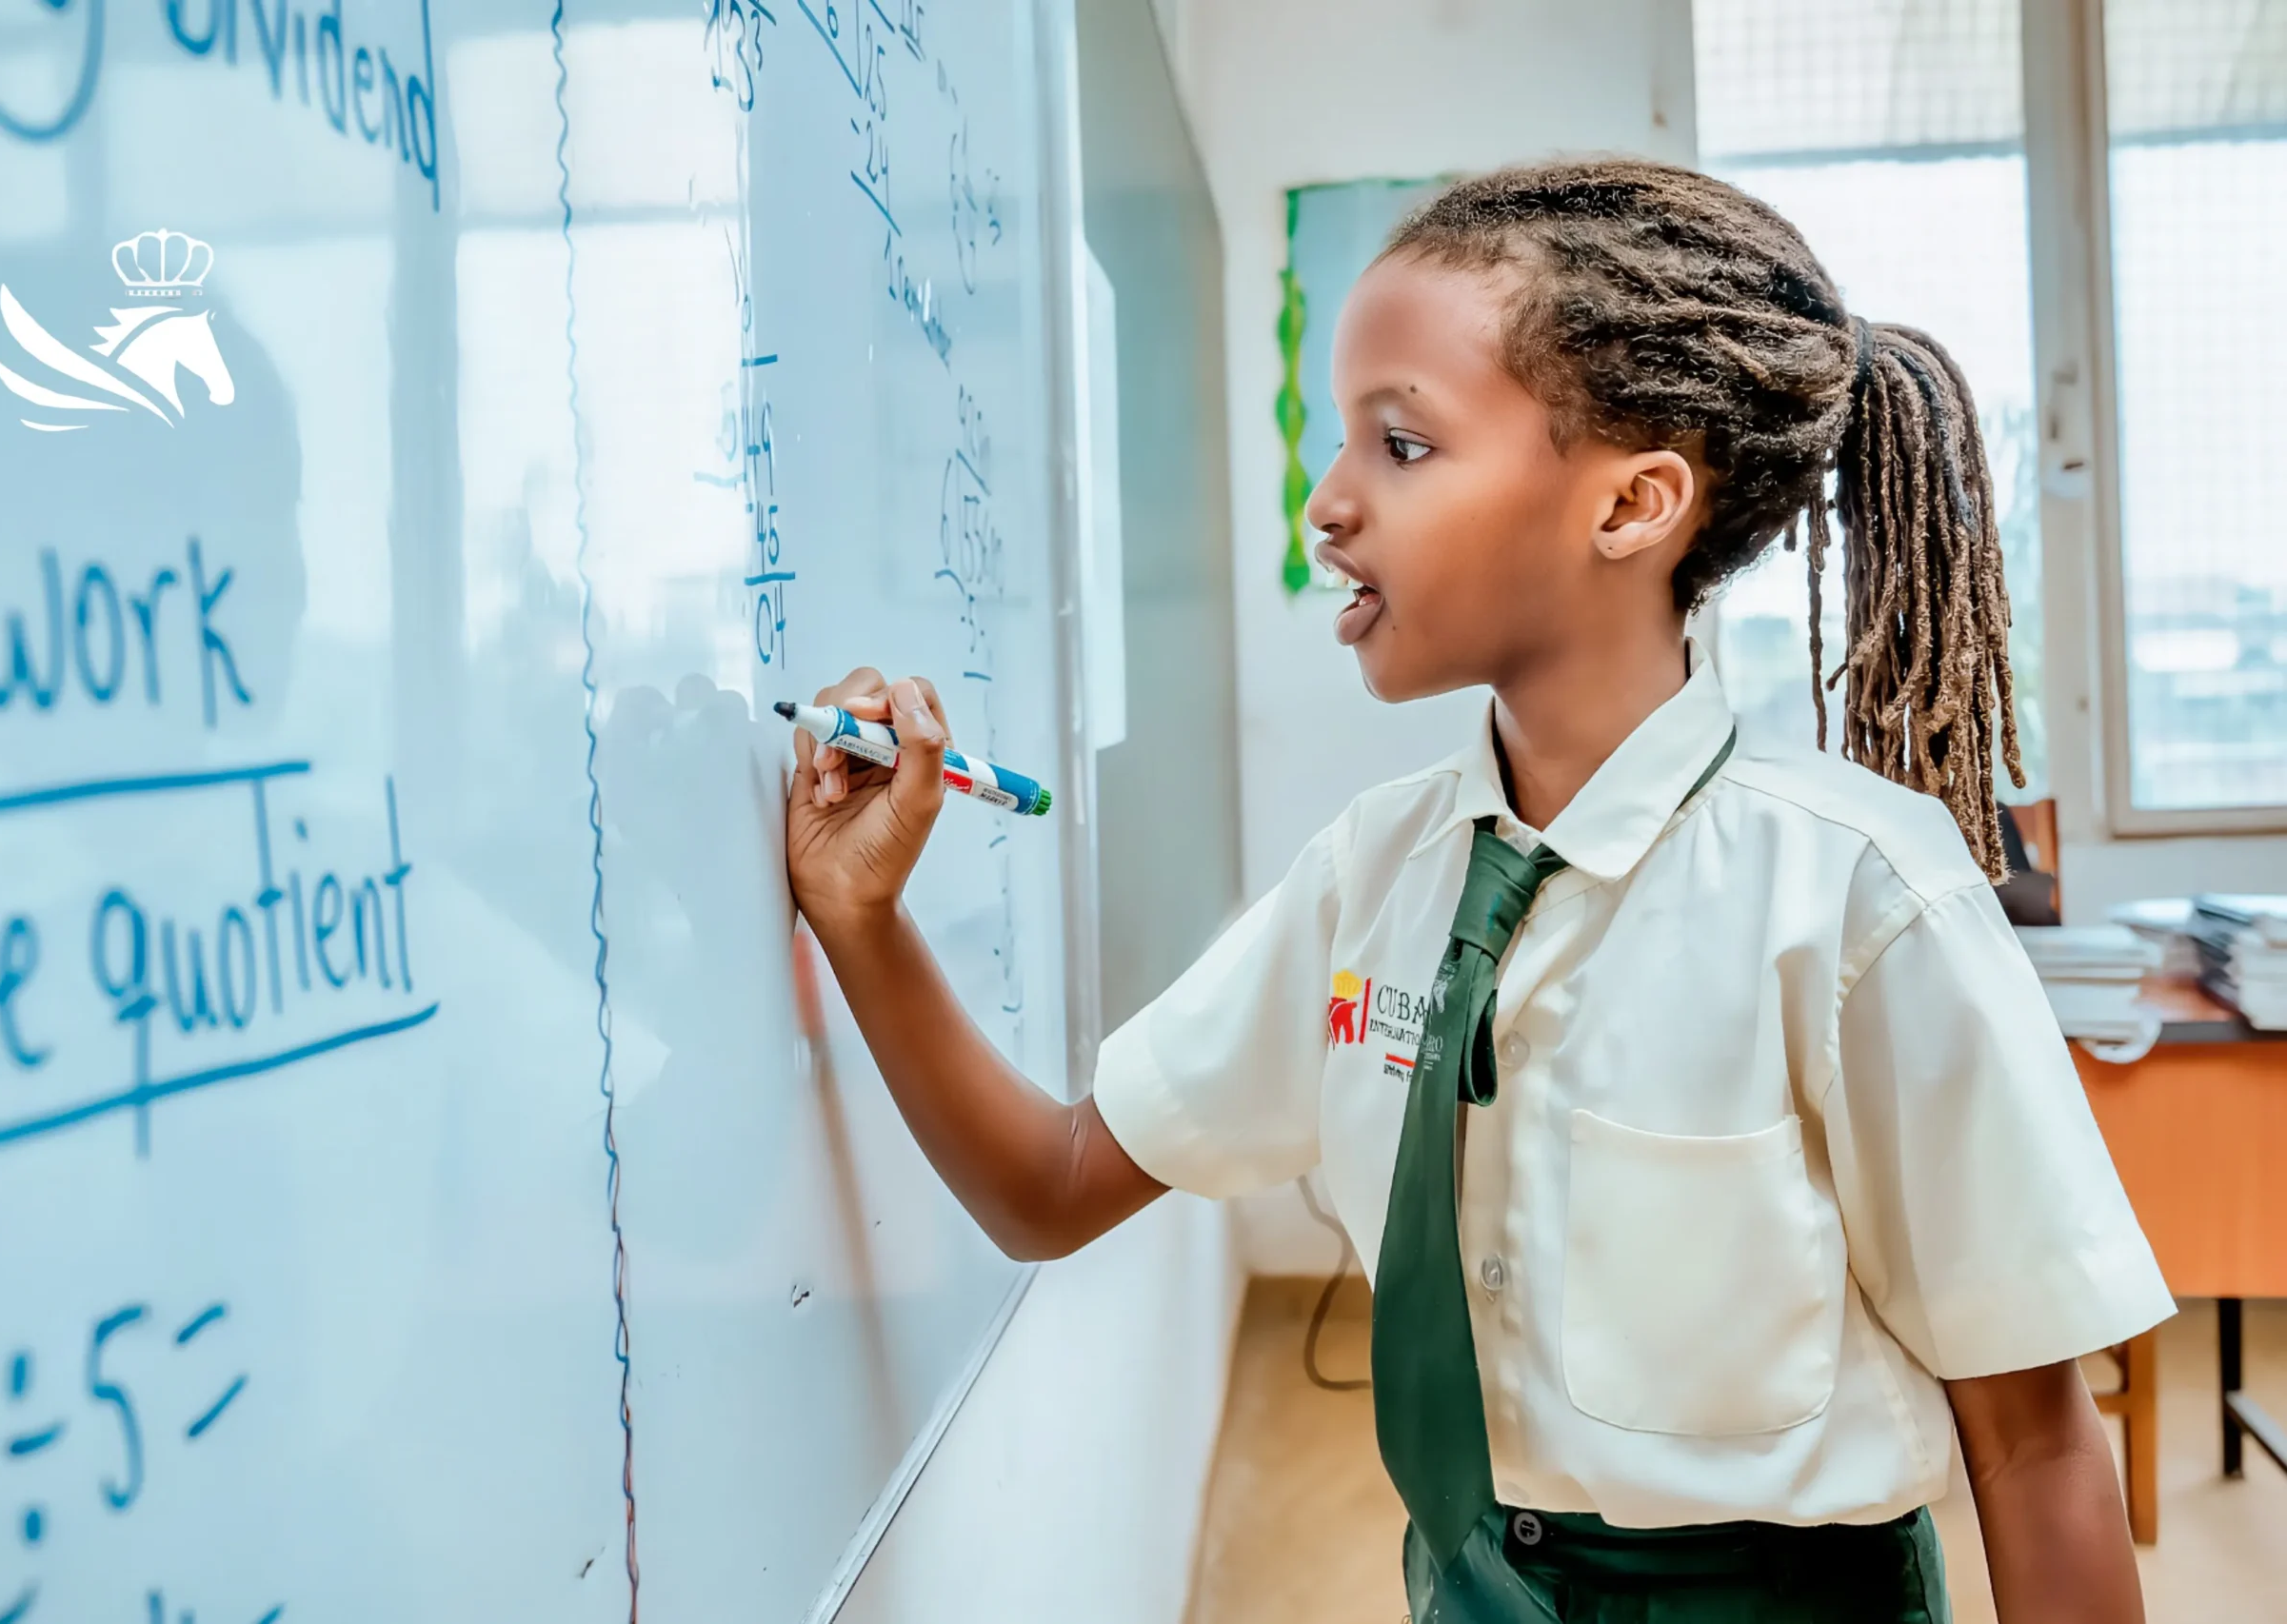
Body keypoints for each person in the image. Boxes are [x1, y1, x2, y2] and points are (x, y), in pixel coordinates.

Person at [783, 160, 2169, 1623]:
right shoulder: (1374, 874)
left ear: (1631, 504)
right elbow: (1050, 1186)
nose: (1328, 505)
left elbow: (2034, 1448)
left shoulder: (1856, 900)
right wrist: (863, 920)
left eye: (1401, 444)